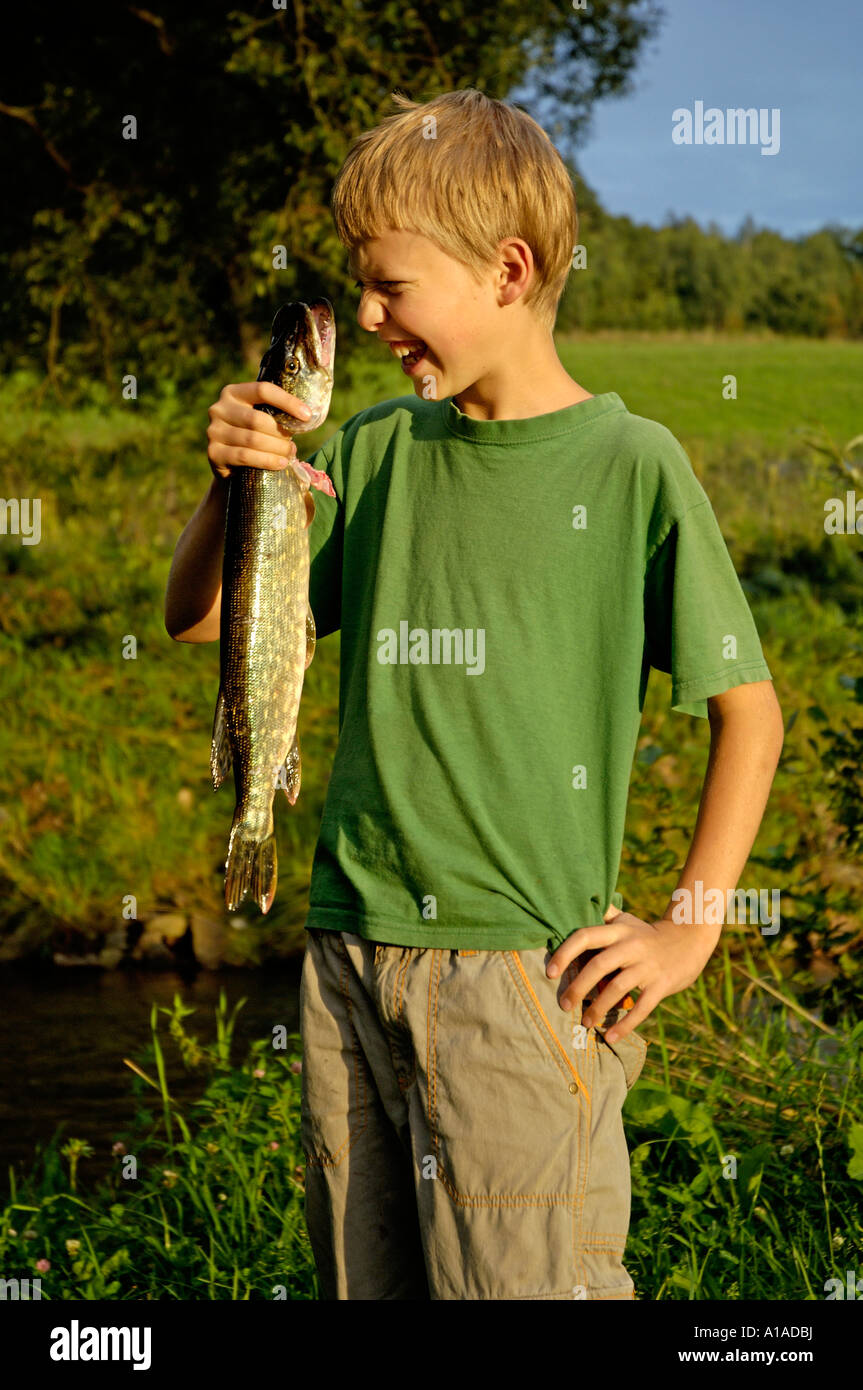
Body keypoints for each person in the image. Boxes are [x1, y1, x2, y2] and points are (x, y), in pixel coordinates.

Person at [165, 88, 784, 1301]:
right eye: (361, 286)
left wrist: (693, 923)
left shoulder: (629, 466)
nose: (373, 316)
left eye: (392, 287)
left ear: (506, 269)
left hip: (520, 975)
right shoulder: (370, 452)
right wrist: (231, 482)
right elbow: (197, 620)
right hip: (347, 957)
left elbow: (747, 713)